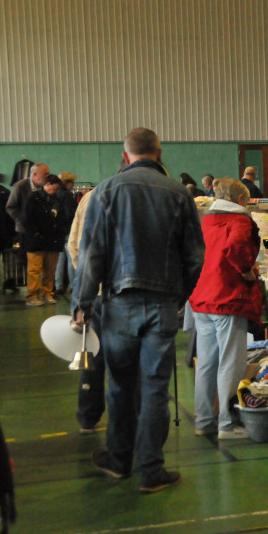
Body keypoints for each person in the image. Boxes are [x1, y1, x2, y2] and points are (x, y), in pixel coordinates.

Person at [73, 127, 204, 494]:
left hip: (118, 305)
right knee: (155, 388)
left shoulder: (105, 192)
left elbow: (91, 255)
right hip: (162, 304)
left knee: (120, 385)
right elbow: (196, 258)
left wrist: (82, 303)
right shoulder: (180, 194)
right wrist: (179, 297)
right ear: (159, 153)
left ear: (125, 155)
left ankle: (119, 459)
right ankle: (151, 470)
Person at [189, 178, 263, 440]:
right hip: (228, 297)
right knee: (231, 362)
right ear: (241, 200)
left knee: (206, 363)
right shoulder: (239, 220)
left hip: (202, 297)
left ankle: (204, 420)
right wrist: (247, 270)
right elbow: (236, 248)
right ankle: (227, 423)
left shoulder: (205, 220)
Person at [67, 185, 106, 434]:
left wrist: (84, 282)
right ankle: (130, 421)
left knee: (91, 355)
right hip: (123, 294)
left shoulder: (90, 197)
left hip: (91, 291)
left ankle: (87, 418)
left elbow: (73, 245)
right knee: (127, 360)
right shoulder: (138, 195)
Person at [21, 174, 68, 306]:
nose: (57, 191)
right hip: (36, 241)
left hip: (53, 241)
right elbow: (26, 219)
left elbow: (63, 218)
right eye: (55, 188)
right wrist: (36, 233)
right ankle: (32, 296)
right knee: (34, 270)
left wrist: (61, 231)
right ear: (47, 185)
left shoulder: (56, 200)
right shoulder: (33, 198)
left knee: (50, 270)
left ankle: (47, 293)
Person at [54, 171, 78, 295]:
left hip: (58, 231)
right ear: (66, 182)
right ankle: (74, 285)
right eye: (72, 182)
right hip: (68, 230)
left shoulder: (55, 194)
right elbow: (70, 214)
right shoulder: (68, 196)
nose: (73, 185)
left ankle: (59, 285)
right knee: (71, 258)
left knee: (60, 260)